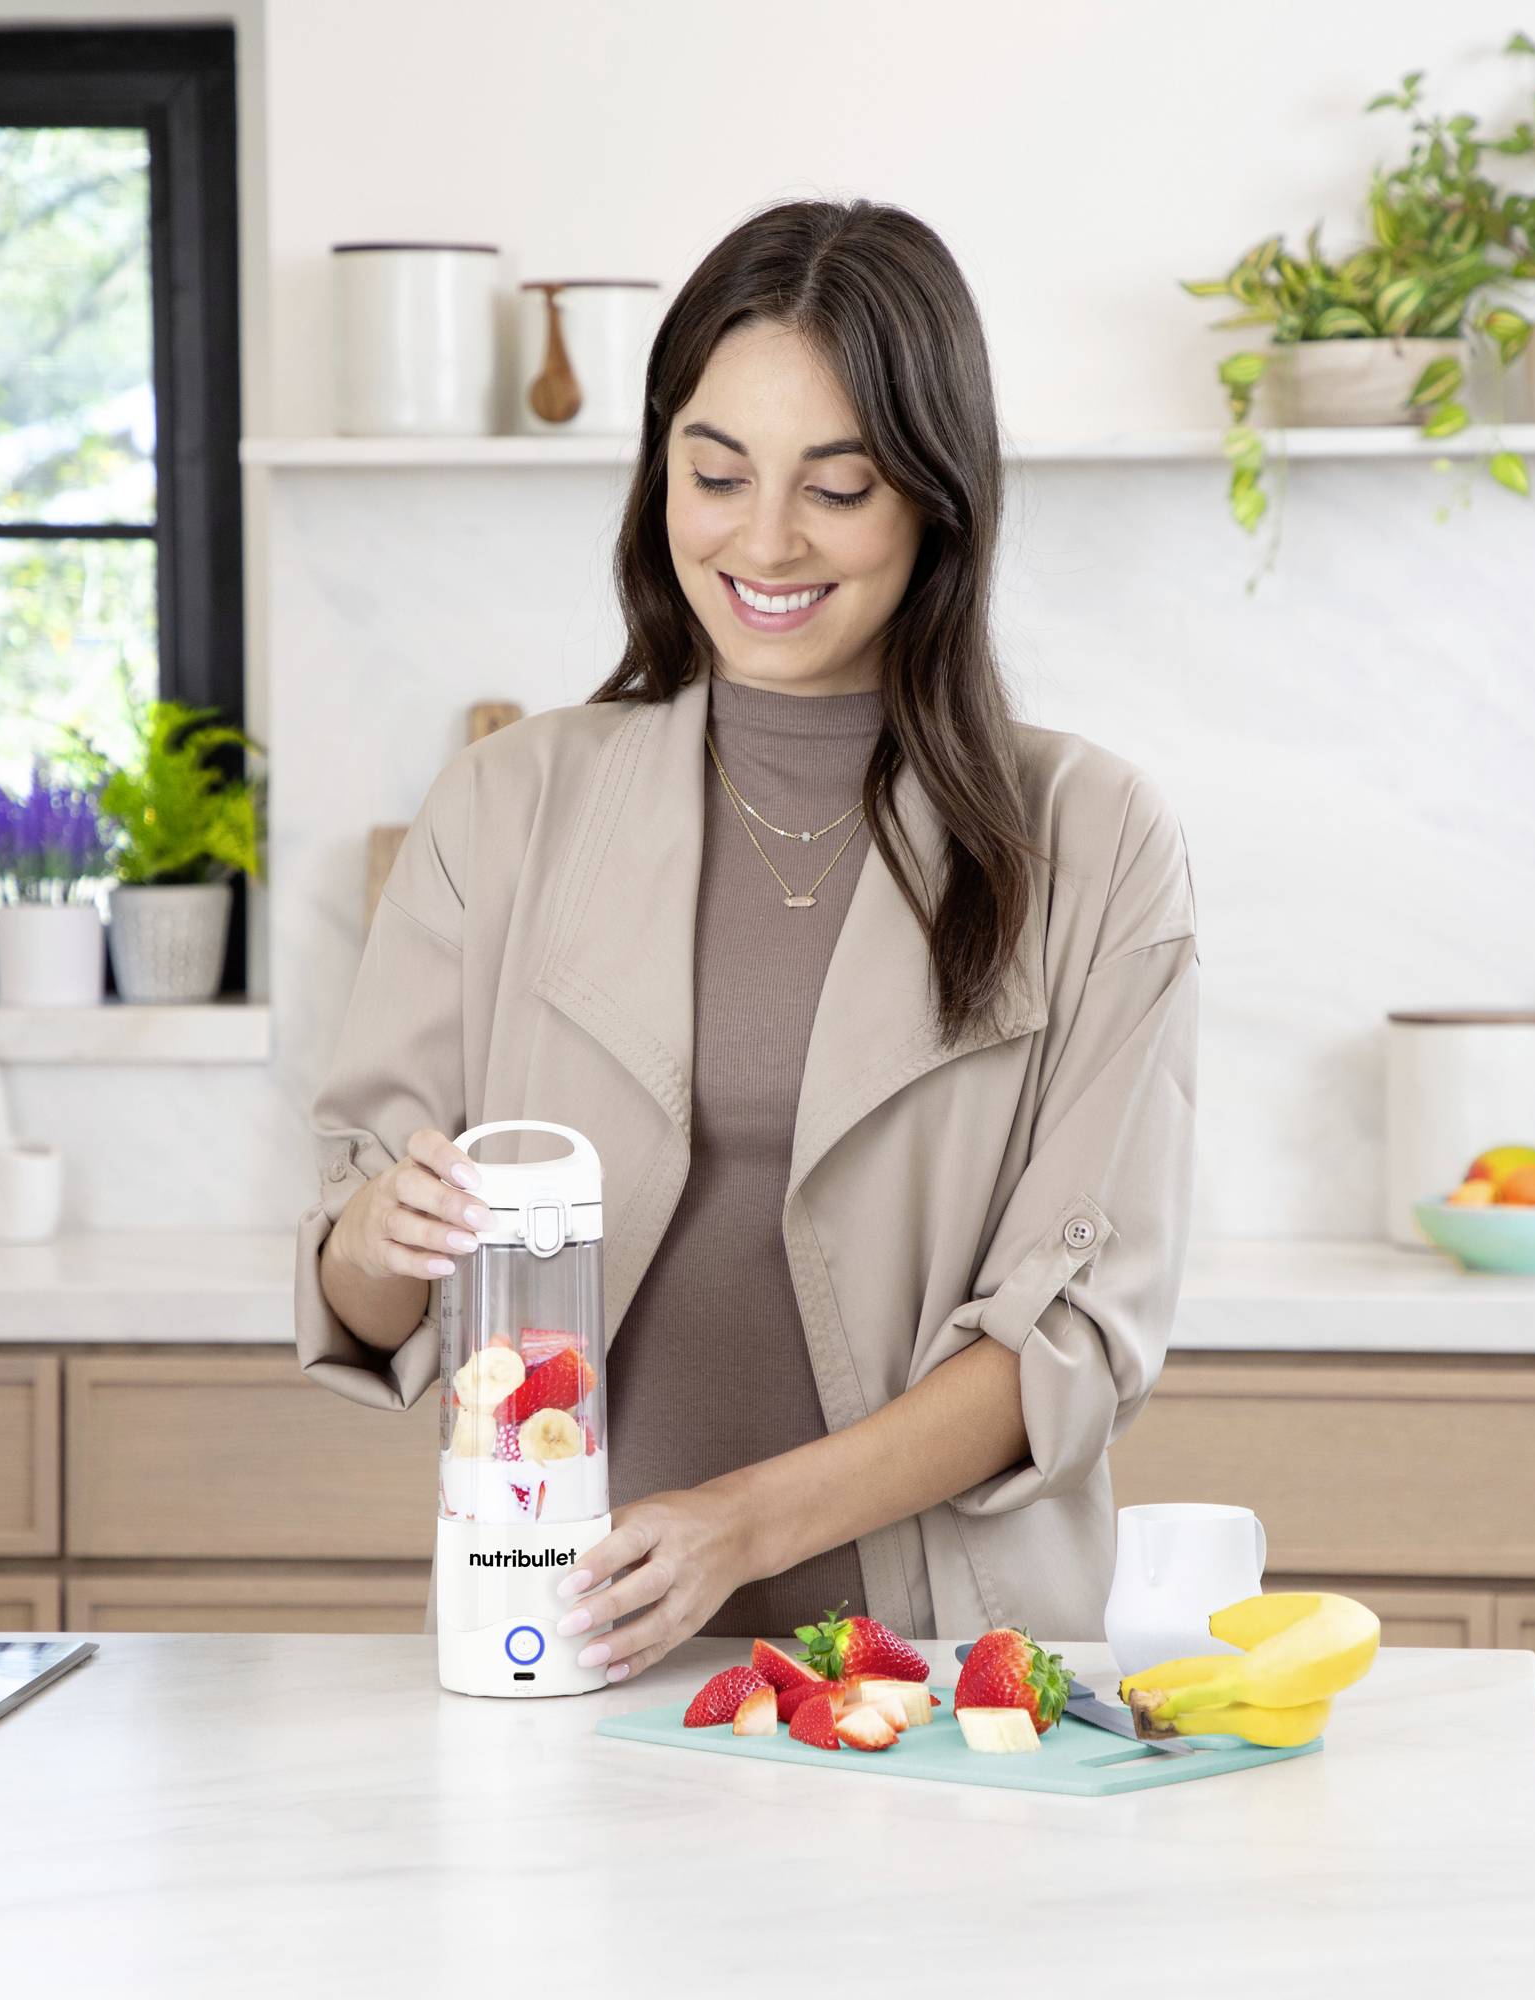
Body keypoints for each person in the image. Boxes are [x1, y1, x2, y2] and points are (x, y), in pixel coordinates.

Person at [295, 198, 1197, 1682]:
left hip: (949, 1673)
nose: (763, 539)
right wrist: (381, 1236)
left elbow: (1074, 1341)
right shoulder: (505, 806)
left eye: (835, 489)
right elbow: (360, 1286)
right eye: (716, 473)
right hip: (579, 1644)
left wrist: (741, 1525)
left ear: (936, 501)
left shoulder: (1091, 839)